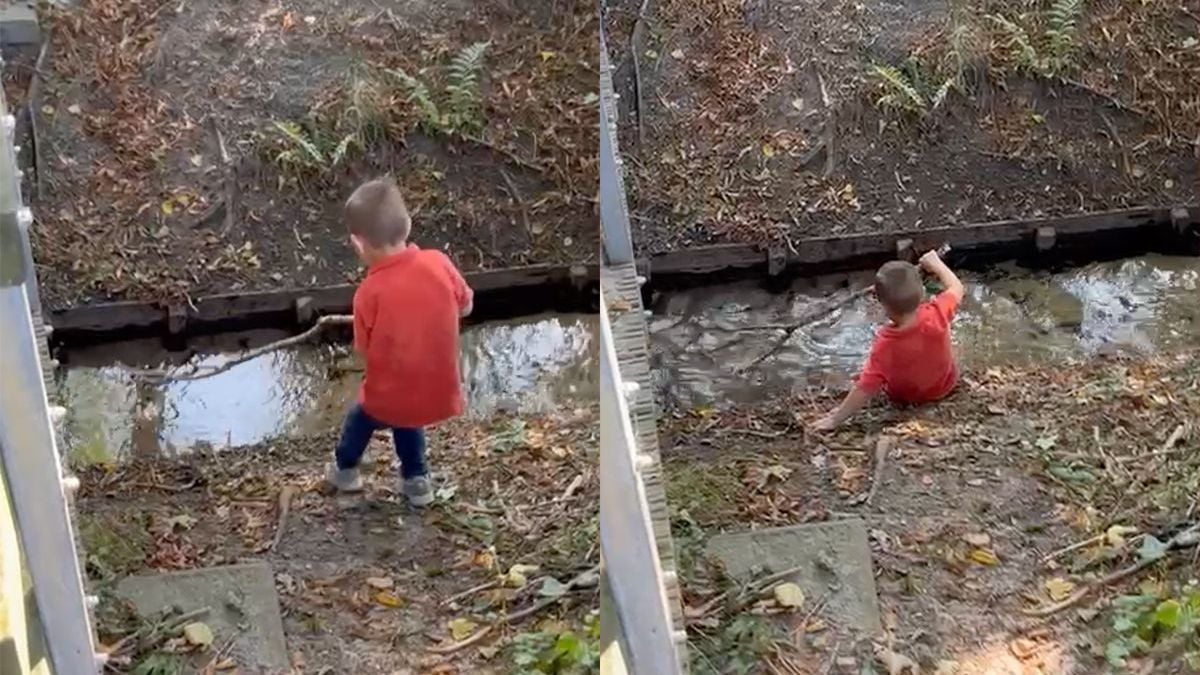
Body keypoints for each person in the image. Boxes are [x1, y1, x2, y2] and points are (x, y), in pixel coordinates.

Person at [325, 177, 473, 505]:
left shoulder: (369, 292)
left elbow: (363, 348)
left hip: (391, 392)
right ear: (407, 225)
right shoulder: (439, 263)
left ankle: (345, 470)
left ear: (359, 244)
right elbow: (466, 304)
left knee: (363, 415)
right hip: (438, 388)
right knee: (409, 417)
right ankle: (417, 480)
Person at [812, 248, 963, 431]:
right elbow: (957, 288)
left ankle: (877, 372)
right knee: (950, 345)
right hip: (945, 387)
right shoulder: (937, 313)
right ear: (922, 292)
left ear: (883, 305)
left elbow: (865, 389)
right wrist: (937, 265)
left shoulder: (886, 344)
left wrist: (835, 419)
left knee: (873, 372)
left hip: (906, 399)